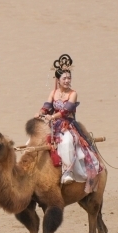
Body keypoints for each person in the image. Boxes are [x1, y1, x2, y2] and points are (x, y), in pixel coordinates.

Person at [38, 54, 103, 188]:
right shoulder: (53, 92)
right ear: (58, 79)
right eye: (64, 78)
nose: (67, 80)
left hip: (67, 125)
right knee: (35, 141)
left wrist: (52, 117)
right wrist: (41, 113)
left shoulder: (73, 93)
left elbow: (65, 111)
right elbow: (46, 106)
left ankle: (68, 172)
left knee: (66, 142)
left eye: (69, 78)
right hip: (52, 126)